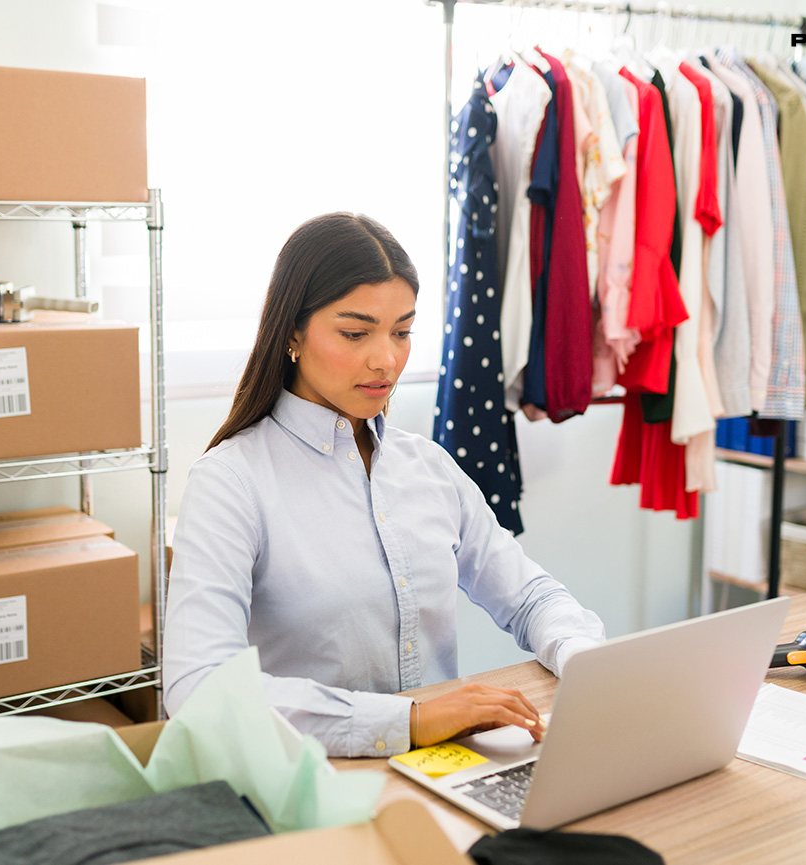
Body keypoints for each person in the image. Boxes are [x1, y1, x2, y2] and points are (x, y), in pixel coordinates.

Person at [163, 213, 605, 758]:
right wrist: (409, 719)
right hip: (315, 783)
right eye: (355, 333)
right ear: (293, 333)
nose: (386, 359)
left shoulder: (428, 467)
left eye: (402, 332)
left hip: (445, 773)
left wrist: (583, 656)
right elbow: (197, 687)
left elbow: (529, 595)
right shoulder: (231, 483)